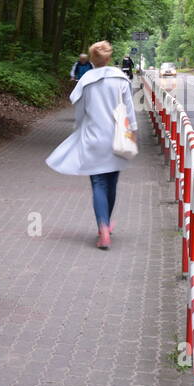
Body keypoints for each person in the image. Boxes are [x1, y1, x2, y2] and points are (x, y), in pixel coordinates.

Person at [46, 41, 137, 250]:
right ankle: (105, 225)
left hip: (93, 137)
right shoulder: (120, 79)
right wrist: (133, 133)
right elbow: (130, 112)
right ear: (108, 57)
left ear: (92, 59)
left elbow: (80, 113)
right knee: (112, 182)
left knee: (98, 183)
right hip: (117, 138)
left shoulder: (86, 80)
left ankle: (103, 228)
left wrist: (79, 130)